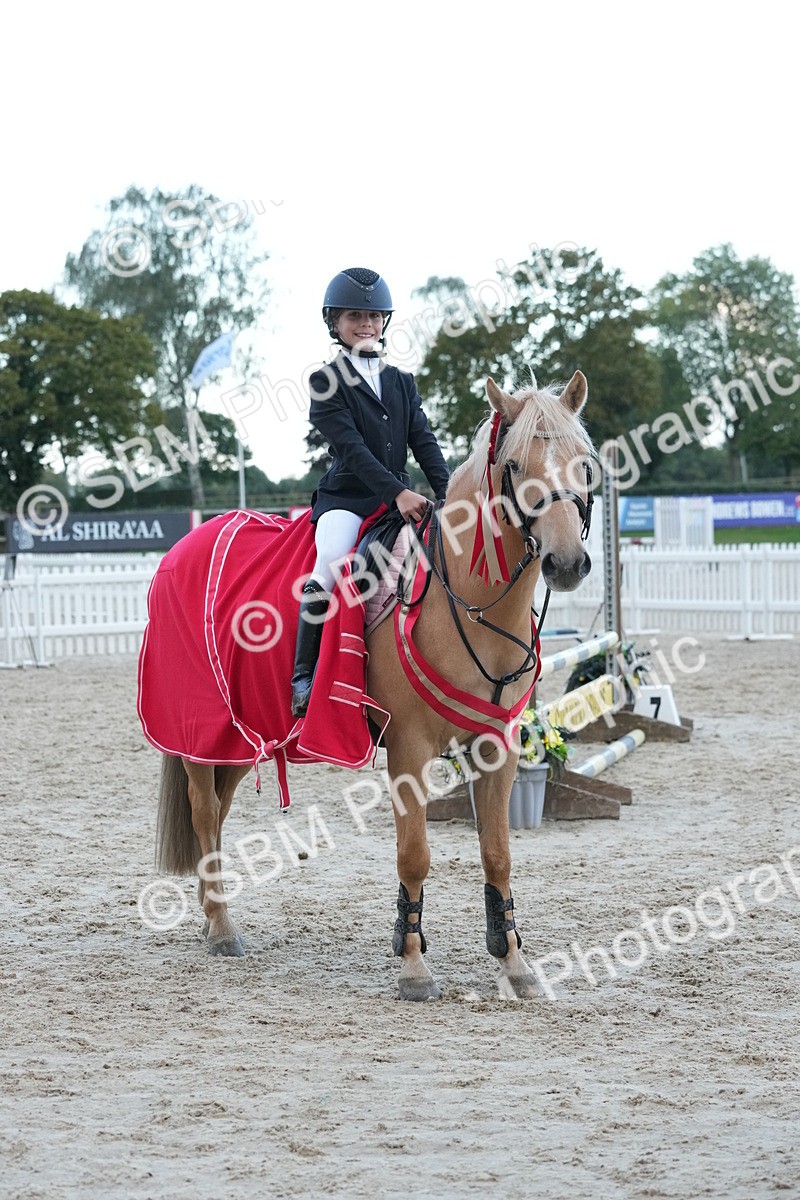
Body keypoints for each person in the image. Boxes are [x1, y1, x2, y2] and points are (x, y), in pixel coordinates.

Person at [290, 267, 450, 717]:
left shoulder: (401, 381)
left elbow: (424, 441)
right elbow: (353, 450)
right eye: (354, 315)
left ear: (385, 321)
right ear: (334, 323)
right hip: (348, 499)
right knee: (331, 565)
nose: (366, 324)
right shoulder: (326, 380)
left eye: (374, 316)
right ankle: (304, 677)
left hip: (398, 500)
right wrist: (399, 492)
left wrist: (451, 491)